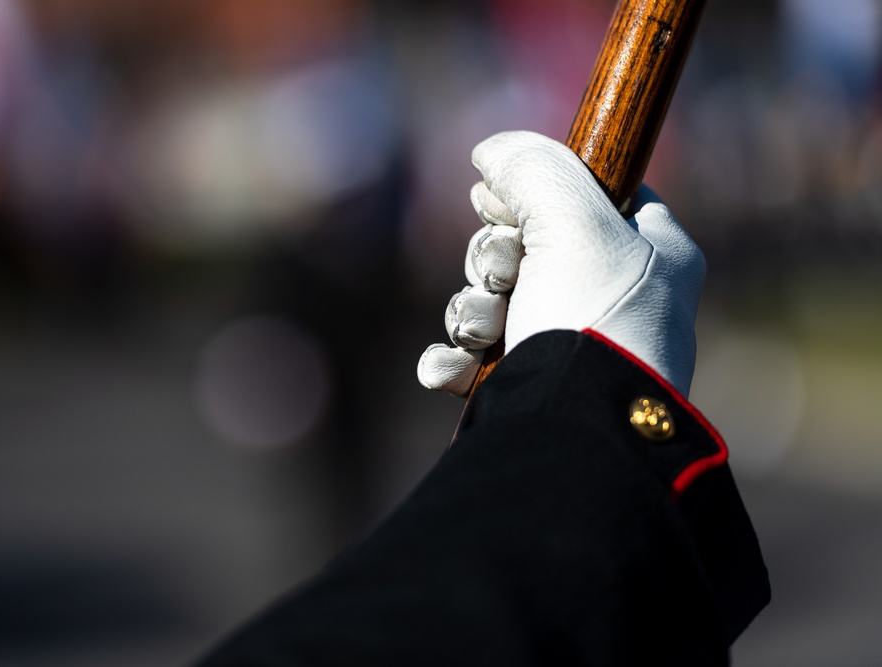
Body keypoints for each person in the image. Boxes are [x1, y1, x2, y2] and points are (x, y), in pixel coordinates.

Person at [195, 131, 770, 666]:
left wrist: (524, 419)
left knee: (356, 512)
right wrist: (584, 401)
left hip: (367, 419)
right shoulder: (290, 263)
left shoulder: (366, 259)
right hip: (335, 418)